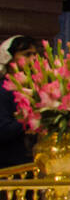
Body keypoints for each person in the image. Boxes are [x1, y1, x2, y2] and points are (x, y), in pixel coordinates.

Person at [0, 35, 39, 167]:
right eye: (27, 54)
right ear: (9, 58)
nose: (33, 59)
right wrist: (31, 120)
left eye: (34, 54)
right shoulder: (3, 90)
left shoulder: (36, 87)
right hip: (9, 168)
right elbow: (3, 130)